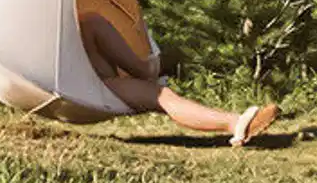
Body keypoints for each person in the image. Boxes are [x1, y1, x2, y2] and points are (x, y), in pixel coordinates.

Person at [79, 10, 277, 146]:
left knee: (90, 22)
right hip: (86, 87)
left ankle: (146, 68)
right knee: (163, 96)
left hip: (94, 83)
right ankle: (236, 124)